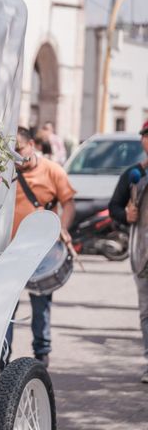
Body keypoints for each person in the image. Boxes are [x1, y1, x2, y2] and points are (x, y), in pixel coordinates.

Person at [5, 126, 76, 368]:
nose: (16, 156)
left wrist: (62, 229)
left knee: (40, 303)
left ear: (32, 145)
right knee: (5, 308)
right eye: (11, 151)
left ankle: (41, 354)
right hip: (8, 250)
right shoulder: (3, 171)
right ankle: (2, 358)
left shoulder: (53, 170)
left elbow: (69, 203)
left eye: (19, 149)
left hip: (40, 249)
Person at [108, 119, 148, 384]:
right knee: (146, 310)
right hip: (142, 252)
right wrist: (126, 213)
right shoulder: (133, 174)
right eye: (146, 135)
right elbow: (113, 207)